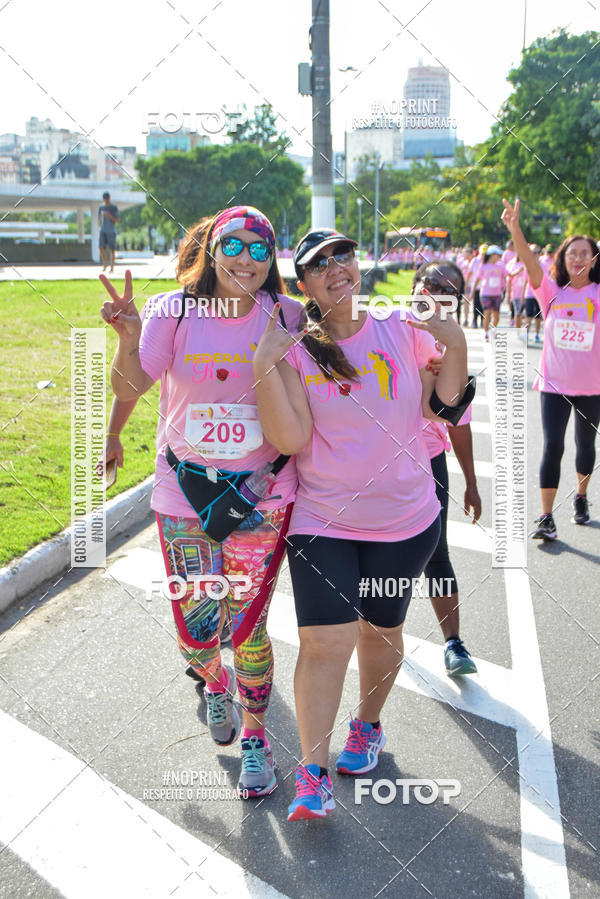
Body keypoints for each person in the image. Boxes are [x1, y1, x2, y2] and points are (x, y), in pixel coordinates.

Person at [252, 228, 470, 820]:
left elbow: (442, 408)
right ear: (305, 286)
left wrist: (457, 349)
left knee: (379, 632)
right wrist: (264, 367)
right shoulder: (298, 348)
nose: (336, 268)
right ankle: (312, 775)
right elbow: (291, 438)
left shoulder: (400, 327)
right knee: (325, 642)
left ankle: (367, 725)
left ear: (357, 264)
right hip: (324, 519)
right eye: (319, 264)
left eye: (342, 255)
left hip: (405, 520)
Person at [100, 205, 303, 797]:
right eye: (234, 245)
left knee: (249, 628)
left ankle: (258, 742)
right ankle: (215, 686)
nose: (246, 258)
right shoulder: (174, 309)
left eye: (260, 249)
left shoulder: (285, 313)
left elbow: (317, 395)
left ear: (272, 259)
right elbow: (134, 385)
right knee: (197, 632)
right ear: (212, 249)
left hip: (263, 494)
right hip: (184, 492)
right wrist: (130, 339)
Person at [502, 197, 600, 538]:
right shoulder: (551, 291)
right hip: (554, 385)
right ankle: (546, 517)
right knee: (552, 446)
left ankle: (582, 497)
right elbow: (529, 262)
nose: (578, 258)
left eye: (585, 253)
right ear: (563, 258)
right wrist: (515, 228)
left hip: (592, 388)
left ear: (594, 259)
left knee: (585, 447)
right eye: (572, 252)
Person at [413, 262, 482, 675]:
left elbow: (460, 423)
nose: (438, 293)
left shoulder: (451, 345)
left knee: (436, 554)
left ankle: (454, 644)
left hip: (427, 460)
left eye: (449, 291)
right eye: (433, 283)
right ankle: (377, 634)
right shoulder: (384, 326)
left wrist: (472, 484)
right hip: (373, 461)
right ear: (418, 285)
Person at [469, 245, 506, 341]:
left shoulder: (501, 266)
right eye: (496, 255)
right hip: (485, 293)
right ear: (491, 255)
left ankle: (493, 329)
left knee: (496, 316)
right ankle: (486, 333)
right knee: (487, 313)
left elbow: (507, 275)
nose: (498, 257)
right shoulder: (483, 266)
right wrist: (472, 292)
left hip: (497, 293)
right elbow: (477, 279)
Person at [523, 244, 543, 344]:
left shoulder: (544, 265)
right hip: (529, 294)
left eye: (538, 252)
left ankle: (537, 334)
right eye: (533, 252)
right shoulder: (527, 266)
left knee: (538, 316)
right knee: (528, 316)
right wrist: (523, 296)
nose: (536, 254)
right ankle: (526, 335)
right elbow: (525, 282)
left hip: (540, 295)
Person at [99, 192, 119, 272]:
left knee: (112, 249)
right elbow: (99, 218)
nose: (106, 200)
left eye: (107, 198)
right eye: (104, 199)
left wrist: (109, 216)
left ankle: (112, 267)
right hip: (103, 230)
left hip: (111, 231)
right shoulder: (101, 207)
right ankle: (105, 264)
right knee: (100, 246)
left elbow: (117, 220)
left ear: (109, 198)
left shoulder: (114, 207)